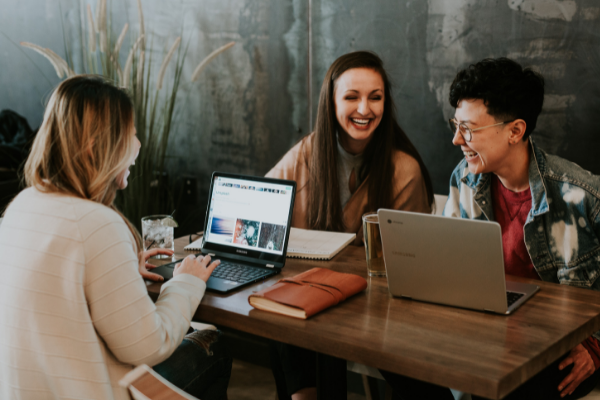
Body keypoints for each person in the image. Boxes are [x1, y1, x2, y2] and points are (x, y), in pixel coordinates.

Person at [0, 75, 232, 400]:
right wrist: (186, 282)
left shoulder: (20, 207)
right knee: (214, 343)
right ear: (99, 146)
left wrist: (118, 270)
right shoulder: (97, 223)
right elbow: (148, 346)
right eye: (132, 134)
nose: (137, 145)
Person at [384, 58, 600, 399]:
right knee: (394, 356)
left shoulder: (581, 195)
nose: (457, 139)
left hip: (553, 346)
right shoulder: (466, 178)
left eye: (468, 129)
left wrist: (596, 347)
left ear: (515, 131)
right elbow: (447, 267)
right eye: (455, 125)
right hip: (487, 334)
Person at [266, 51, 434, 400]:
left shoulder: (403, 170)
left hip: (377, 312)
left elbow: (408, 264)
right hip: (307, 299)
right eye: (351, 97)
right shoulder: (307, 153)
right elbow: (263, 210)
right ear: (331, 102)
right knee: (280, 321)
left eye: (375, 97)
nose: (364, 109)